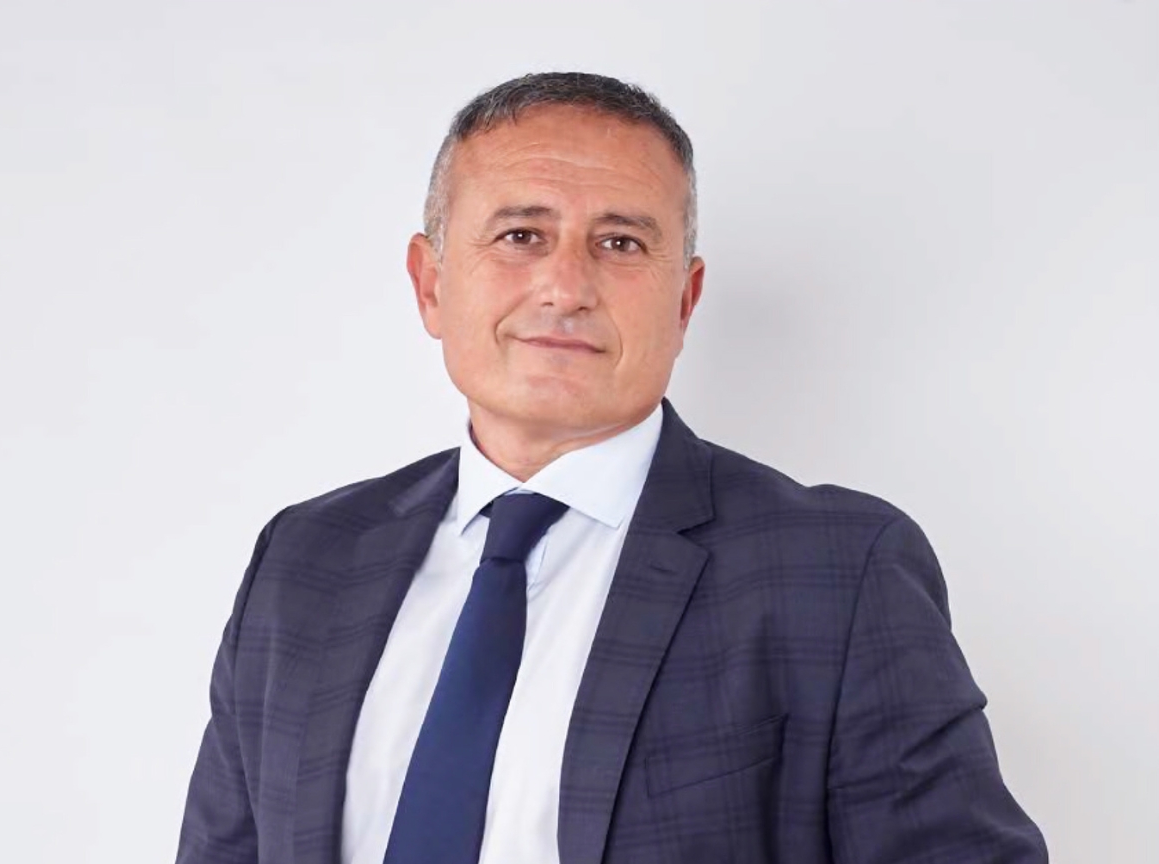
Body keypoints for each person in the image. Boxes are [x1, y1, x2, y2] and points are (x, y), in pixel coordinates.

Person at [175, 72, 1047, 864]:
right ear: (431, 284)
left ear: (685, 300)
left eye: (621, 243)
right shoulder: (306, 560)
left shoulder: (837, 571)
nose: (566, 287)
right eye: (521, 234)